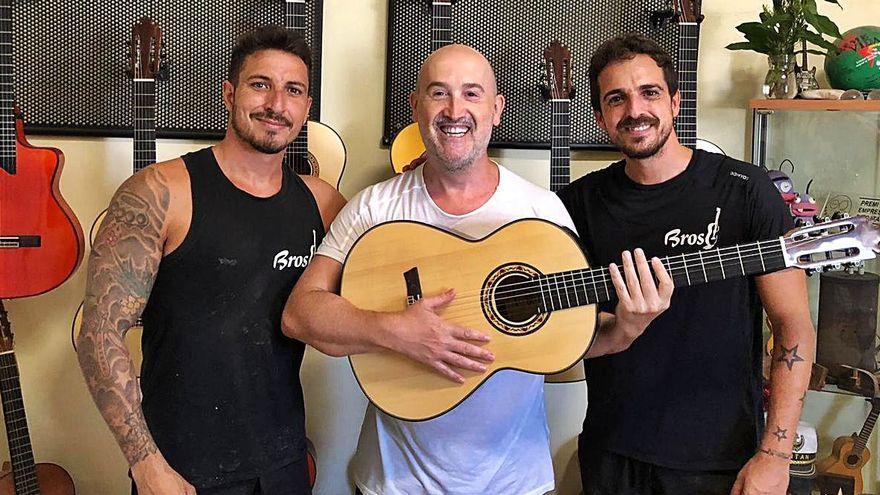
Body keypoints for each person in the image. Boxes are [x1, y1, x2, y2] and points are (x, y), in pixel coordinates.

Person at [282, 44, 672, 495]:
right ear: (415, 106)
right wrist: (394, 330)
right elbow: (299, 314)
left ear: (496, 109)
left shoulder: (542, 213)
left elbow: (571, 342)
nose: (454, 110)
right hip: (394, 483)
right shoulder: (373, 207)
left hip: (516, 482)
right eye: (438, 93)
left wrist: (628, 328)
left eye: (471, 93)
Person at [76, 26, 344, 495]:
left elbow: (370, 292)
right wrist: (146, 464)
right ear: (228, 93)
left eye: (294, 90)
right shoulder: (161, 193)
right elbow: (98, 332)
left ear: (305, 109)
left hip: (285, 463)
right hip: (181, 470)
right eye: (260, 84)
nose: (276, 104)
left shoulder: (322, 204)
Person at [556, 33, 815, 495]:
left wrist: (775, 457)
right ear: (600, 117)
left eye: (649, 93)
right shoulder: (576, 205)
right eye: (616, 99)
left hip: (721, 459)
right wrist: (622, 327)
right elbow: (558, 340)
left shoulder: (746, 190)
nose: (635, 110)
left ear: (675, 102)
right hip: (611, 454)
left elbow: (794, 326)